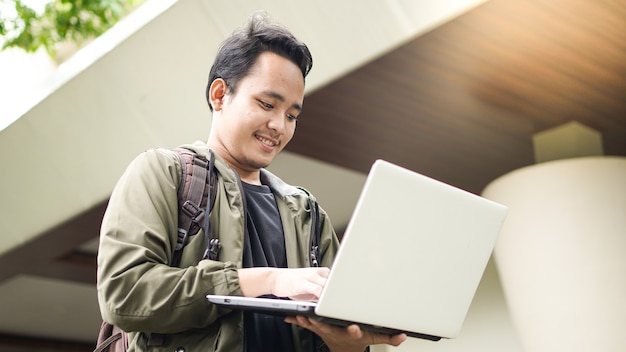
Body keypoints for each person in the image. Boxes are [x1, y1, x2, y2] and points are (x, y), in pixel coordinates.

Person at [97, 12, 407, 352]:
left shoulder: (308, 213)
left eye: (291, 115)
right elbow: (124, 293)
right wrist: (268, 280)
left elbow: (329, 335)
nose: (279, 125)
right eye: (266, 104)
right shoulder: (164, 173)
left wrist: (346, 345)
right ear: (219, 95)